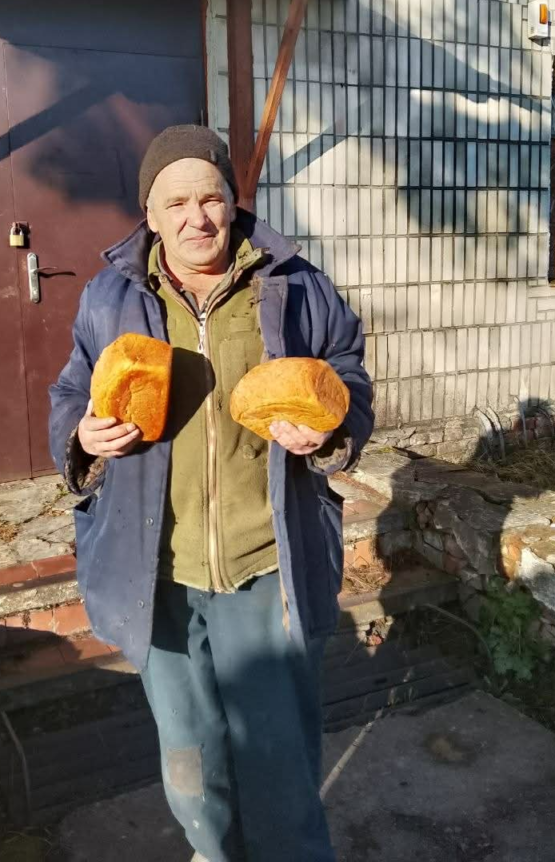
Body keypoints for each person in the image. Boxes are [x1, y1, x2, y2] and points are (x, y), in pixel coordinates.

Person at [49, 125, 374, 862]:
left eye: (211, 198)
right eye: (176, 204)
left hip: (267, 562)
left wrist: (326, 429)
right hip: (158, 567)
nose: (197, 218)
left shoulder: (295, 285)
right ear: (150, 215)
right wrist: (81, 435)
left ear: (233, 201)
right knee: (190, 755)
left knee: (279, 753)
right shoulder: (110, 296)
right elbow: (71, 388)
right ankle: (213, 851)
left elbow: (346, 370)